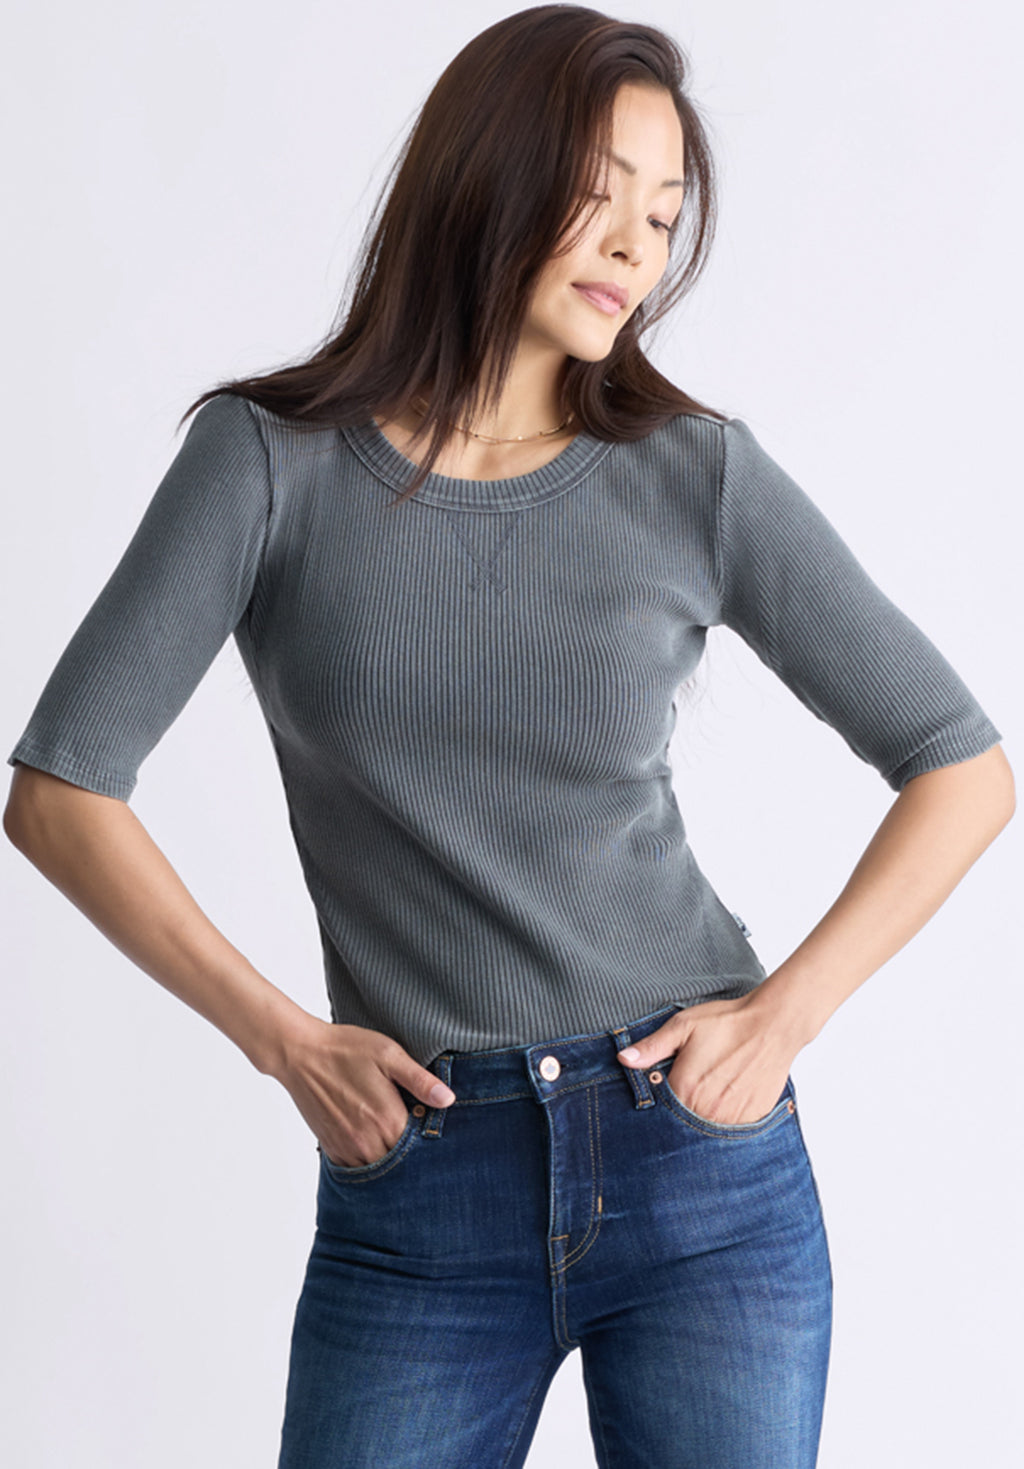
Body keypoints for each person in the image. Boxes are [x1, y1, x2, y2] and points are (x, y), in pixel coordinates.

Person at [3, 5, 1013, 1467]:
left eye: (663, 215)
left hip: (700, 1168)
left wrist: (785, 1016)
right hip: (422, 1184)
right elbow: (61, 790)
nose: (635, 246)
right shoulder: (266, 463)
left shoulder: (693, 473)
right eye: (601, 194)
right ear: (486, 173)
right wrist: (282, 1042)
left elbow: (961, 763)